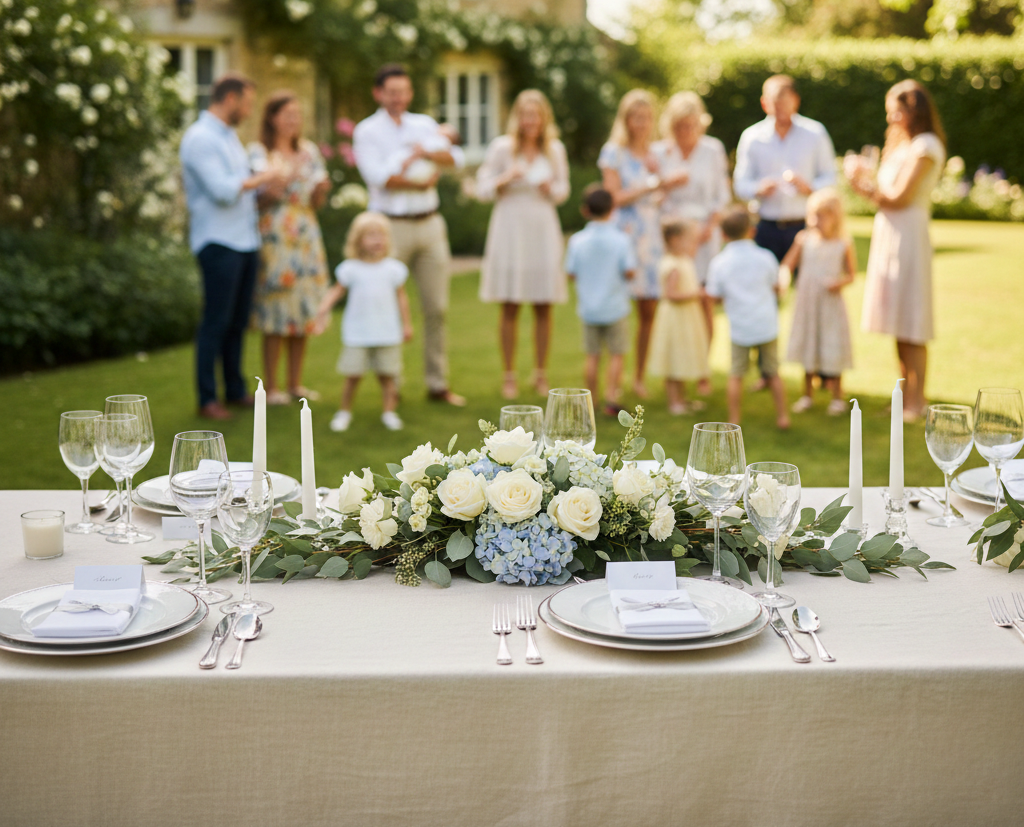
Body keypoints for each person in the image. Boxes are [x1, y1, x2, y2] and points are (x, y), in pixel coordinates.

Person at [352, 63, 466, 407]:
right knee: (389, 307)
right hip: (390, 226)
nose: (398, 98)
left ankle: (437, 383)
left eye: (403, 91)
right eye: (391, 92)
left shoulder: (424, 125)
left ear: (410, 92)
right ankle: (393, 386)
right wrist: (418, 179)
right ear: (378, 93)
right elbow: (378, 178)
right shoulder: (367, 131)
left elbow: (455, 158)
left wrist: (428, 153)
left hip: (430, 223)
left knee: (437, 307)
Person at [180, 73, 288, 420]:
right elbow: (223, 190)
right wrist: (267, 175)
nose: (249, 110)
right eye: (247, 102)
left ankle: (236, 388)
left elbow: (244, 188)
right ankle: (207, 398)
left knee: (238, 321)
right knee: (216, 320)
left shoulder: (228, 136)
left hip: (244, 240)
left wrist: (267, 189)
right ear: (230, 99)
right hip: (218, 241)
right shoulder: (199, 138)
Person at [846, 80, 946, 422]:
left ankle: (918, 400)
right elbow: (884, 198)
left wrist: (867, 185)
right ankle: (904, 395)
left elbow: (899, 197)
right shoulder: (901, 144)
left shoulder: (925, 146)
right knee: (897, 319)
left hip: (909, 235)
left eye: (897, 110)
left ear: (914, 110)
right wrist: (860, 184)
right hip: (890, 231)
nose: (891, 117)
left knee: (912, 319)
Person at [476, 89, 570, 400]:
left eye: (536, 114)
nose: (530, 120)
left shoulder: (555, 150)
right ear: (518, 116)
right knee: (510, 302)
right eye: (525, 114)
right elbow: (483, 188)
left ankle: (541, 373)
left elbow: (563, 191)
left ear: (544, 118)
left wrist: (550, 188)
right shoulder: (502, 148)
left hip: (542, 227)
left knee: (544, 303)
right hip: (510, 227)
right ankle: (509, 376)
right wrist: (504, 178)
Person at [248, 91, 331, 406]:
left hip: (306, 234)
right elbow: (258, 198)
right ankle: (270, 387)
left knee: (303, 310)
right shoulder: (259, 152)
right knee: (276, 309)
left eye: (298, 114)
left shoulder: (308, 151)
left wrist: (320, 190)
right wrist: (279, 183)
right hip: (276, 236)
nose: (294, 120)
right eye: (288, 115)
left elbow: (316, 202)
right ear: (272, 118)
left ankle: (296, 383)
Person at [599, 89, 683, 400]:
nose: (642, 123)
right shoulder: (614, 153)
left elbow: (661, 194)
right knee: (617, 309)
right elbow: (613, 197)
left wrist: (659, 182)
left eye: (647, 118)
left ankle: (638, 377)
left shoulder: (657, 154)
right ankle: (612, 380)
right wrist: (651, 184)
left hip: (651, 235)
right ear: (626, 120)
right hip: (623, 234)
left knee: (649, 311)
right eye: (636, 117)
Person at [314, 212, 413, 433]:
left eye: (381, 235)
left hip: (387, 332)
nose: (377, 240)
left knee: (388, 376)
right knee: (353, 376)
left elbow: (402, 298)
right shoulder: (350, 268)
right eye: (371, 235)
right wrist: (323, 309)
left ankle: (389, 412)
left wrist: (407, 325)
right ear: (358, 240)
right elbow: (336, 291)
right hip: (358, 333)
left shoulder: (393, 269)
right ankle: (344, 412)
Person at [652, 91, 730, 359]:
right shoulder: (659, 151)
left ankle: (703, 366)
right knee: (676, 296)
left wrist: (709, 225)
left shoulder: (713, 149)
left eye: (691, 125)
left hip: (705, 234)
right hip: (672, 236)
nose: (686, 131)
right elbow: (653, 194)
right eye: (680, 126)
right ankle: (676, 364)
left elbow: (722, 194)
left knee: (705, 299)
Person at [733, 75, 837, 267]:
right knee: (766, 289)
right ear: (764, 103)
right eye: (775, 103)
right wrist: (758, 188)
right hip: (765, 226)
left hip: (806, 224)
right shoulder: (751, 137)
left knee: (807, 287)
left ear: (796, 101)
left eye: (785, 102)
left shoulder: (815, 133)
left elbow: (830, 177)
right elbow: (740, 184)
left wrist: (810, 187)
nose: (780, 108)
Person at [706, 206, 790, 430]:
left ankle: (734, 419)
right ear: (752, 231)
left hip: (740, 328)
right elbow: (776, 286)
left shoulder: (719, 263)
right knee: (773, 372)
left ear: (723, 235)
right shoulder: (766, 257)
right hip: (765, 324)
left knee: (736, 374)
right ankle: (783, 416)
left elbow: (713, 296)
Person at [564, 186, 637, 416]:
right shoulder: (621, 239)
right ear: (613, 209)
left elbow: (570, 273)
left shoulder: (577, 240)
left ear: (585, 210)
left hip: (589, 308)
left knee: (592, 355)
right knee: (617, 354)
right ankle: (611, 398)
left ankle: (591, 400)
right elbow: (630, 271)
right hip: (615, 306)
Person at [783, 188, 856, 416]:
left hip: (830, 305)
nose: (816, 221)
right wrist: (782, 281)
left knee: (832, 345)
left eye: (822, 215)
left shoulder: (843, 243)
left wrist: (838, 283)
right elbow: (788, 264)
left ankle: (837, 396)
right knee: (809, 345)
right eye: (813, 215)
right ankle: (807, 395)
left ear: (836, 217)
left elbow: (852, 275)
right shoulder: (804, 239)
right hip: (808, 304)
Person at [648, 219, 710, 415]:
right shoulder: (673, 265)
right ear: (675, 240)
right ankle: (674, 402)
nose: (693, 244)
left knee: (682, 357)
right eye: (689, 240)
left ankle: (682, 399)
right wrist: (696, 294)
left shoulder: (683, 259)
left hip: (685, 316)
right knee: (674, 358)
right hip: (675, 318)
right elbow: (670, 294)